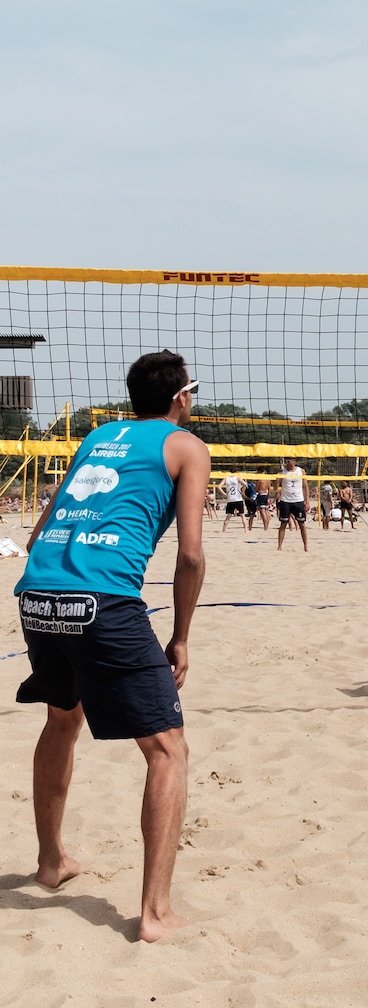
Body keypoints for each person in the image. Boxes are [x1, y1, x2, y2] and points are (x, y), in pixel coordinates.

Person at [13, 350, 209, 941]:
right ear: (181, 397)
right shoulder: (185, 444)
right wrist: (180, 637)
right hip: (102, 602)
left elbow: (42, 530)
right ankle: (155, 915)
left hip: (39, 594)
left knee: (62, 720)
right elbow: (193, 555)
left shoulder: (99, 435)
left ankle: (51, 864)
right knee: (167, 749)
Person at [275, 457, 310, 552]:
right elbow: (276, 487)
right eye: (286, 461)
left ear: (294, 461)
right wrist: (277, 484)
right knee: (283, 524)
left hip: (298, 500)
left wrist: (307, 501)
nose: (287, 462)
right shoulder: (282, 472)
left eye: (289, 460)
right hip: (285, 501)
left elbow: (305, 487)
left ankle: (306, 546)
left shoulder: (301, 471)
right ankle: (279, 546)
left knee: (302, 524)